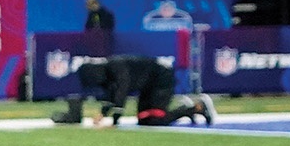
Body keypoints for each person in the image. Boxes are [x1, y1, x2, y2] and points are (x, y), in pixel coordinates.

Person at [55, 56, 214, 128]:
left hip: (160, 79)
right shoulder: (107, 75)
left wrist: (115, 122)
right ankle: (184, 110)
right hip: (148, 85)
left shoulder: (116, 68)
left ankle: (197, 107)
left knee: (155, 120)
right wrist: (103, 114)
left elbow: (121, 92)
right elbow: (112, 95)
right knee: (145, 120)